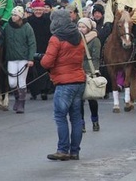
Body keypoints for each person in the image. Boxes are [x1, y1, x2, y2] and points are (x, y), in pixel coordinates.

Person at [41, 9, 85, 161]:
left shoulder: (56, 38)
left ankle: (62, 149)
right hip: (79, 80)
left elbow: (47, 62)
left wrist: (42, 58)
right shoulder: (78, 37)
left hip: (64, 83)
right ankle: (75, 151)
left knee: (60, 116)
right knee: (76, 118)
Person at [3, 6, 36, 113]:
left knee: (21, 81)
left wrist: (30, 58)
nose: (13, 17)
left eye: (15, 15)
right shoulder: (7, 27)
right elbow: (2, 40)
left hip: (23, 58)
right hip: (11, 58)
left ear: (20, 16)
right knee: (12, 82)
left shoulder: (27, 27)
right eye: (12, 15)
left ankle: (21, 103)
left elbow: (32, 43)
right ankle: (17, 98)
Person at [78, 17, 102, 132]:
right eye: (79, 27)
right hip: (78, 71)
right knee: (79, 100)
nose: (81, 29)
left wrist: (95, 71)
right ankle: (81, 123)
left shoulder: (95, 40)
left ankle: (95, 120)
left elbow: (96, 57)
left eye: (83, 27)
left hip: (90, 71)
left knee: (92, 99)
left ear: (88, 28)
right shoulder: (77, 40)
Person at [27, 0, 53, 100]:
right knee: (32, 71)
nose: (38, 11)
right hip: (32, 48)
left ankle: (44, 91)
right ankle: (34, 92)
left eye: (40, 10)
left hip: (45, 48)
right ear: (33, 10)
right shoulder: (28, 21)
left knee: (44, 70)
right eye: (36, 10)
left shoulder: (48, 21)